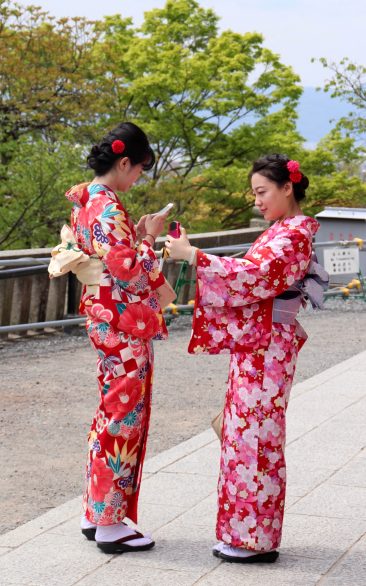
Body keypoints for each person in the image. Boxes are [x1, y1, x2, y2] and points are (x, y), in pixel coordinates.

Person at [165, 154, 327, 564]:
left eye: (262, 192)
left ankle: (254, 538)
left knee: (256, 437)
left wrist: (194, 257)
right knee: (245, 435)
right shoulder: (281, 231)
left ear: (287, 188)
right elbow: (247, 272)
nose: (257, 201)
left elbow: (250, 276)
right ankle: (243, 532)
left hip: (268, 345)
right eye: (254, 193)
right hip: (260, 344)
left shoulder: (292, 235)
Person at [52, 122, 170, 554]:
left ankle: (95, 510)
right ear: (124, 163)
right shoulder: (107, 206)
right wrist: (152, 237)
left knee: (110, 411)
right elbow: (131, 273)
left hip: (103, 315)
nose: (137, 177)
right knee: (124, 416)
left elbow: (112, 257)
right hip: (122, 322)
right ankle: (110, 523)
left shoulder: (87, 200)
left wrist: (136, 237)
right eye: (138, 169)